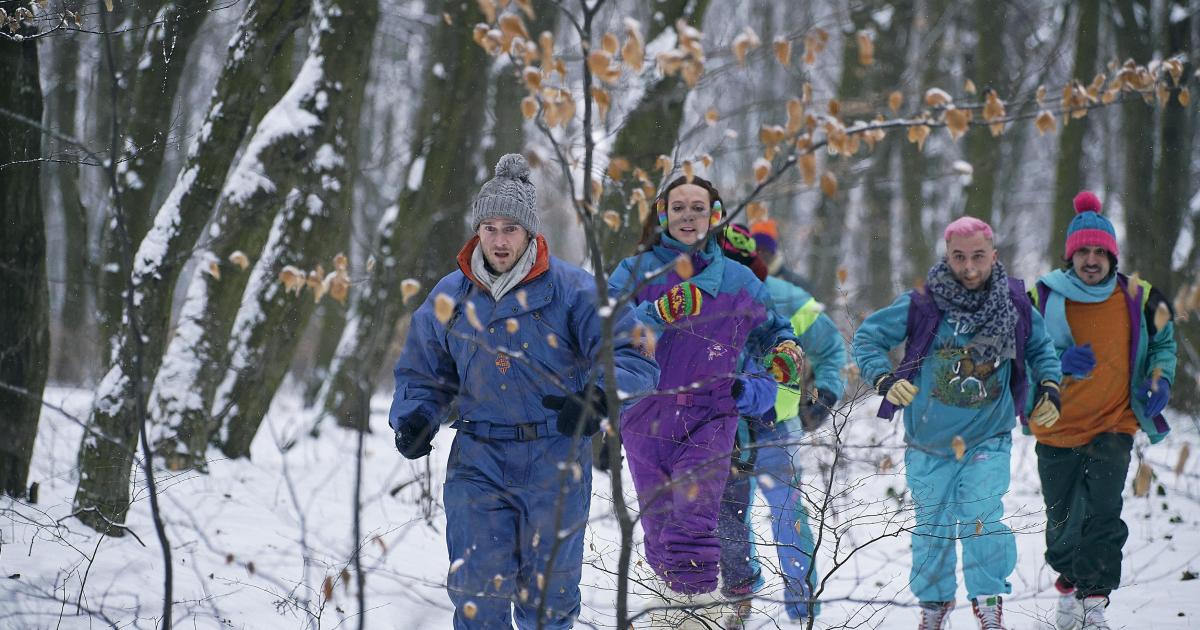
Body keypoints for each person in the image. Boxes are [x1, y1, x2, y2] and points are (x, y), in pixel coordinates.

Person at [388, 154, 659, 629]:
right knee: (478, 600)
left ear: (530, 232)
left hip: (553, 459)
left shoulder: (574, 289)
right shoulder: (452, 295)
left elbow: (633, 354)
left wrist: (596, 397)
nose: (498, 239)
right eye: (489, 227)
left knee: (547, 606)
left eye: (509, 228)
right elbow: (421, 371)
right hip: (478, 458)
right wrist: (415, 415)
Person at [607, 176, 801, 627]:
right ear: (662, 214)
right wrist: (656, 314)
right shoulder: (634, 272)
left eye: (699, 208)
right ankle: (673, 617)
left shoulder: (737, 280)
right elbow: (603, 330)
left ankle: (697, 620)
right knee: (658, 534)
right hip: (645, 415)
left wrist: (784, 353)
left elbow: (773, 333)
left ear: (715, 216)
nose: (688, 216)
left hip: (711, 413)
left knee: (693, 524)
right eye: (679, 208)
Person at [852, 217, 1063, 630]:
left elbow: (1040, 348)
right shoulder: (921, 304)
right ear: (947, 257)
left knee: (982, 515)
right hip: (928, 440)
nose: (969, 267)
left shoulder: (1015, 302)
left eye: (978, 257)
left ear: (994, 256)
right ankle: (934, 605)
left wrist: (1050, 387)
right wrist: (883, 378)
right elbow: (867, 337)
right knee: (932, 524)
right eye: (959, 257)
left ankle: (988, 602)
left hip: (989, 435)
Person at [1028, 192, 1177, 630]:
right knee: (1062, 525)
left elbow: (1165, 344)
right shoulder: (1042, 296)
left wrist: (1160, 379)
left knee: (1103, 512)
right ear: (1069, 255)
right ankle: (1068, 580)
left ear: (1112, 255)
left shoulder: (1142, 296)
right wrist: (1057, 362)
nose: (1091, 260)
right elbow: (1022, 353)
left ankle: (1094, 604)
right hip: (1055, 425)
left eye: (1100, 251)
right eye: (1083, 251)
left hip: (1115, 422)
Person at [716, 221, 849, 624]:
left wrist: (824, 394)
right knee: (729, 518)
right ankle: (740, 600)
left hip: (779, 426)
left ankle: (802, 604)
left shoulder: (789, 297)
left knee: (787, 515)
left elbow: (830, 348)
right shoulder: (702, 300)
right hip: (724, 428)